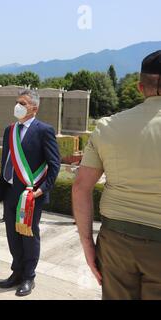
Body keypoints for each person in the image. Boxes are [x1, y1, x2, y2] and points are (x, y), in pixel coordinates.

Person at [73, 50, 161, 300]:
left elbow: (80, 187)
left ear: (140, 86)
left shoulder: (107, 126)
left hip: (116, 243)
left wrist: (88, 245)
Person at [0, 89, 61, 296]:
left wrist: (41, 190)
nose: (18, 106)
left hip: (31, 194)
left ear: (34, 107)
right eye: (17, 102)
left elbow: (54, 164)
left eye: (22, 103)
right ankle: (16, 272)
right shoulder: (10, 130)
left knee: (28, 235)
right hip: (10, 192)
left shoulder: (44, 130)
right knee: (12, 234)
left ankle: (28, 277)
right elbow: (7, 160)